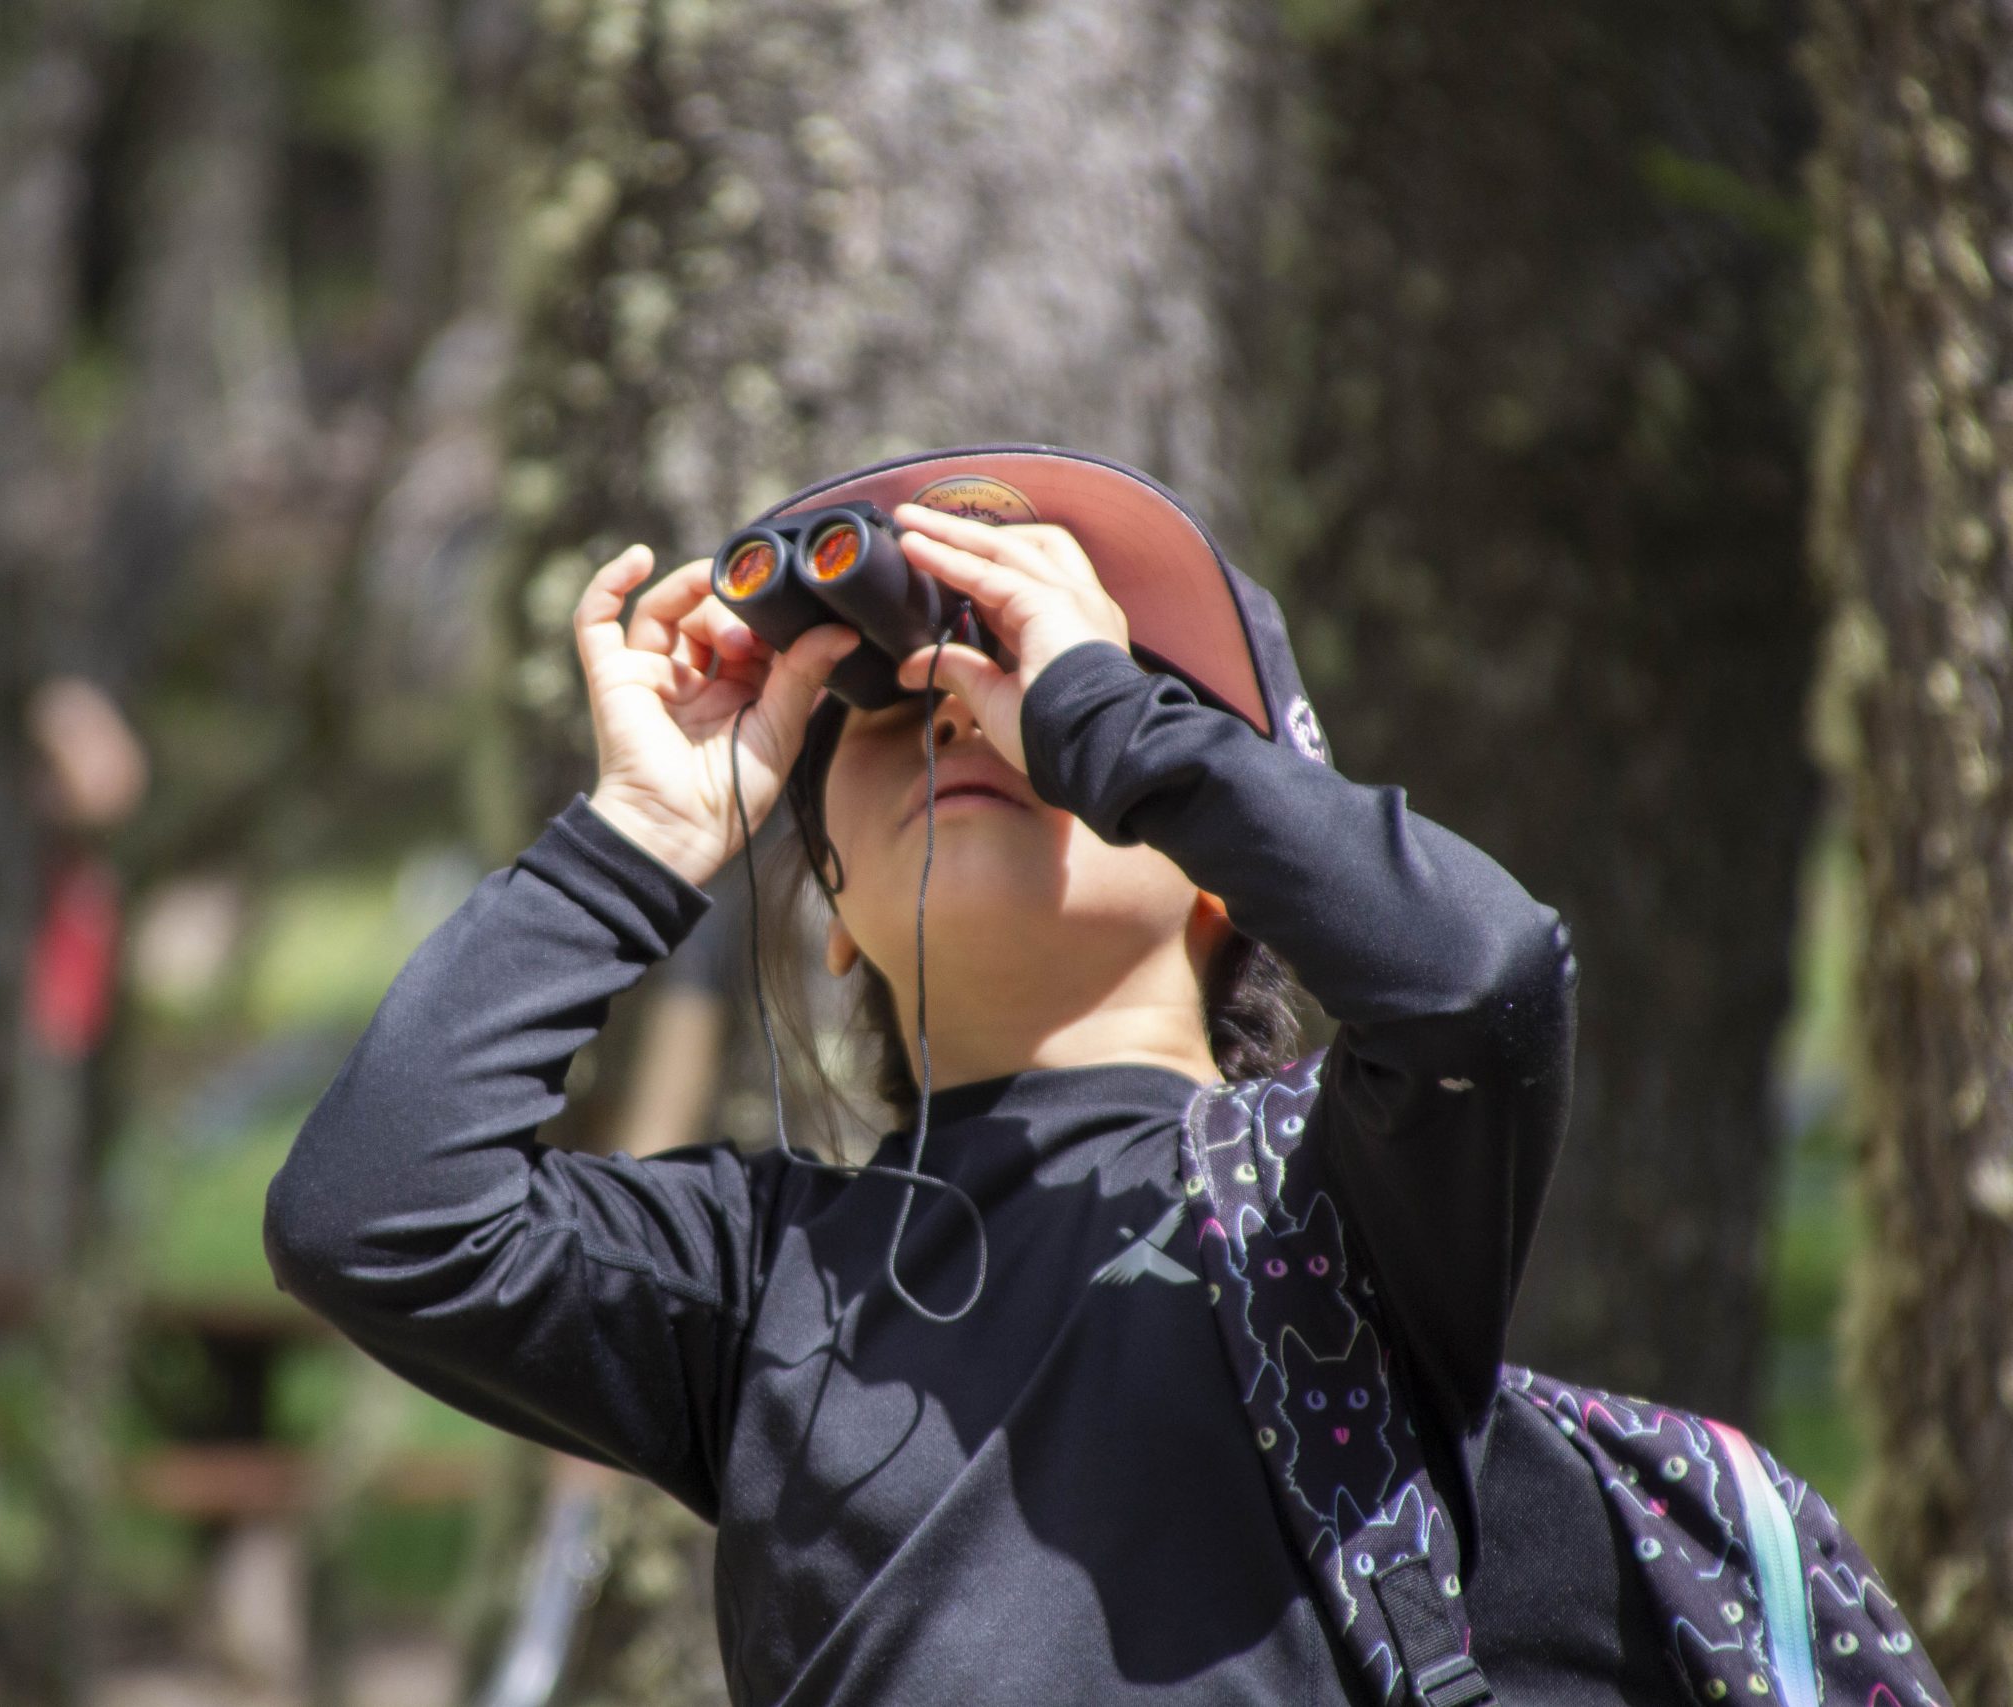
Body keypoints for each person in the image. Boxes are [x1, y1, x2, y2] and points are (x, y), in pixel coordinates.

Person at [266, 451, 1685, 1703]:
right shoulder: (763, 1278)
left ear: (1223, 879)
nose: (960, 716)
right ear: (829, 916)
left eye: (1032, 696)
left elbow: (1483, 986)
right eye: (886, 712)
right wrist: (634, 836)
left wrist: (1105, 719)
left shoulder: (1335, 1193)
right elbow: (374, 1216)